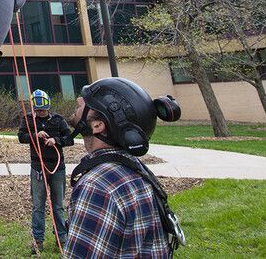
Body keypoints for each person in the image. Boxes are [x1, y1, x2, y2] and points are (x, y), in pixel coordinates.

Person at [64, 78, 184, 258]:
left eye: (87, 102)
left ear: (98, 125)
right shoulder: (134, 170)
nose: (79, 101)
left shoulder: (98, 187)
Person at [17, 89, 73, 253]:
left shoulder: (58, 120)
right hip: (37, 167)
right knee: (38, 206)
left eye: (43, 110)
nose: (41, 113)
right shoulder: (28, 120)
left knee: (58, 206)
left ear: (48, 107)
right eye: (38, 110)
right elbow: (21, 137)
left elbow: (69, 139)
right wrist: (35, 135)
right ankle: (38, 241)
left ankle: (61, 239)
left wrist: (55, 140)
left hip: (57, 167)